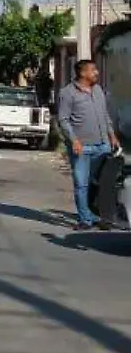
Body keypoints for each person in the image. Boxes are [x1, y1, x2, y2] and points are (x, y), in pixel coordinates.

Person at [58, 59, 121, 230]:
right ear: (82, 73)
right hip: (82, 147)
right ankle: (85, 219)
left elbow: (104, 115)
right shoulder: (68, 93)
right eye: (93, 70)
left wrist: (112, 135)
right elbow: (63, 120)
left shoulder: (98, 90)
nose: (97, 73)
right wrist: (74, 140)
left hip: (103, 145)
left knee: (100, 182)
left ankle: (98, 215)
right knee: (81, 184)